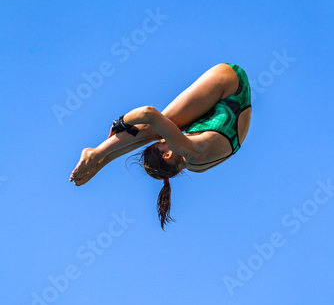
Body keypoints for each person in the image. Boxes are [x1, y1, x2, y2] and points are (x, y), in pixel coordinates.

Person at [70, 63, 252, 229]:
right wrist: (121, 122)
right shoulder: (187, 150)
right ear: (166, 155)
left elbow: (156, 133)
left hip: (229, 112)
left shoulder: (196, 166)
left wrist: (104, 161)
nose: (164, 140)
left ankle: (99, 158)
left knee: (158, 129)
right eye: (162, 144)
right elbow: (148, 113)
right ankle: (95, 155)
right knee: (155, 126)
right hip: (231, 85)